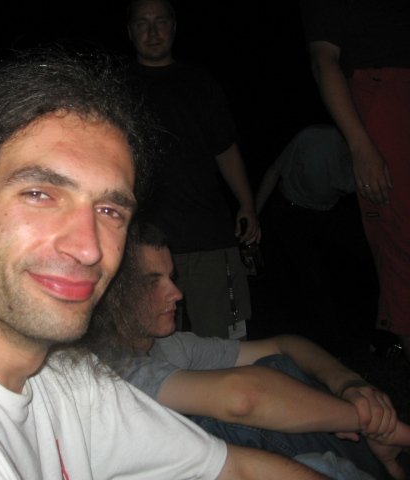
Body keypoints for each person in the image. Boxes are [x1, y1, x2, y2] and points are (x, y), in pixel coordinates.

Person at [0, 48, 329, 480]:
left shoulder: (62, 375)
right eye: (40, 194)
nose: (88, 248)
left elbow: (231, 468)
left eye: (110, 210)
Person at [86, 221, 409, 479]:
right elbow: (243, 397)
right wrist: (369, 422)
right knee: (298, 454)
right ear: (112, 293)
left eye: (171, 277)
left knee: (278, 368)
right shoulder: (105, 365)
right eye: (152, 282)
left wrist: (349, 386)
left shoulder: (169, 346)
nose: (176, 293)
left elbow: (286, 345)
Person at [125, 0, 260, 340]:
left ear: (173, 27)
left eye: (160, 22)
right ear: (130, 31)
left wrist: (247, 204)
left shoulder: (200, 82)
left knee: (224, 344)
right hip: (143, 243)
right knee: (149, 347)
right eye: (142, 23)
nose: (152, 32)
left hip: (207, 237)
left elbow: (225, 149)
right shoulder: (118, 86)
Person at [299, 0, 410, 361]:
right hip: (299, 210)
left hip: (326, 207)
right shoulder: (306, 140)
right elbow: (323, 61)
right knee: (399, 247)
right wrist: (362, 148)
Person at [254, 124, 378, 355]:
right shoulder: (313, 138)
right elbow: (273, 171)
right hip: (291, 209)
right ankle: (328, 345)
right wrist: (253, 215)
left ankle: (372, 332)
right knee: (311, 276)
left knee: (364, 259)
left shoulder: (371, 152)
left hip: (327, 211)